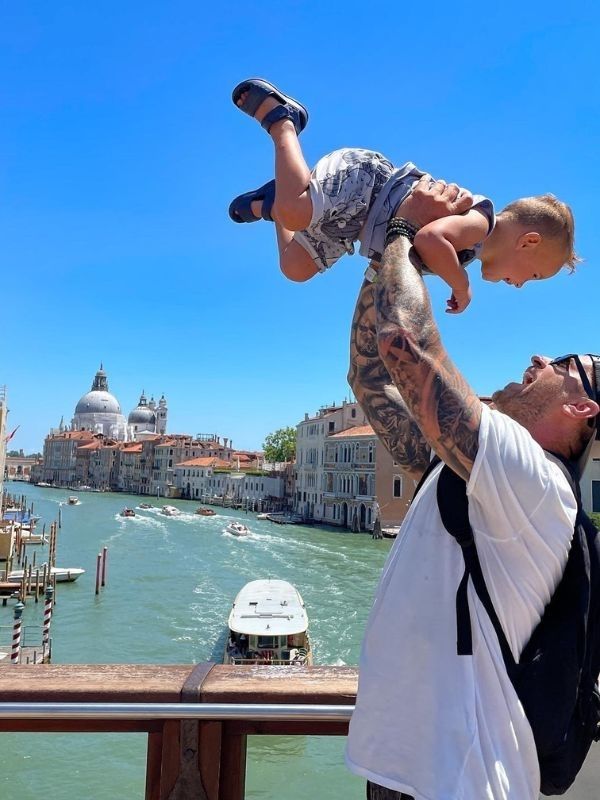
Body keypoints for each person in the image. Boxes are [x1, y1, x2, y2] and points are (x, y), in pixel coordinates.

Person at [344, 182, 599, 799]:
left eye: (563, 363)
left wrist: (403, 229)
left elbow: (405, 343)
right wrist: (383, 260)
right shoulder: (473, 472)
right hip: (406, 770)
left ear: (582, 407)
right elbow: (370, 376)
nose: (539, 358)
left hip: (459, 781)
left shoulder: (534, 480)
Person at [229, 78, 577, 313]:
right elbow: (430, 238)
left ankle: (277, 198)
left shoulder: (469, 252)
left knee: (294, 268)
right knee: (297, 211)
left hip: (355, 226)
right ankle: (284, 121)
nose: (520, 286)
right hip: (367, 185)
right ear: (528, 242)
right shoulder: (481, 222)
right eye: (534, 276)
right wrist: (461, 284)